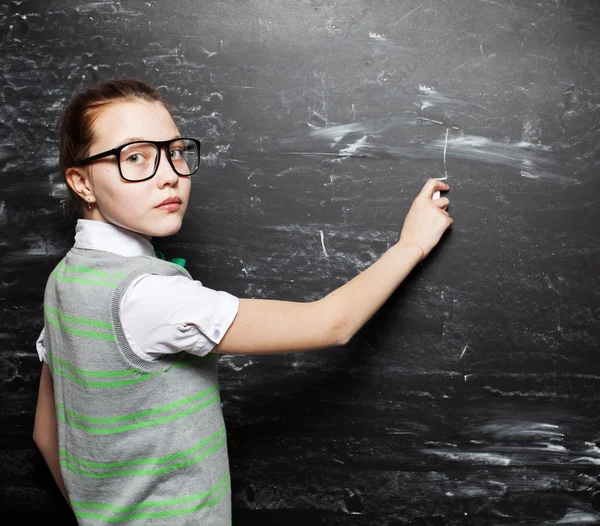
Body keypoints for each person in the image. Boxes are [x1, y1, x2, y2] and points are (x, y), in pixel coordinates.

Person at [33, 78, 453, 525]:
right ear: (81, 182)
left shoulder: (65, 281)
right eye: (135, 157)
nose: (169, 173)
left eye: (174, 151)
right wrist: (412, 245)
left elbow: (45, 435)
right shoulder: (150, 295)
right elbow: (333, 323)